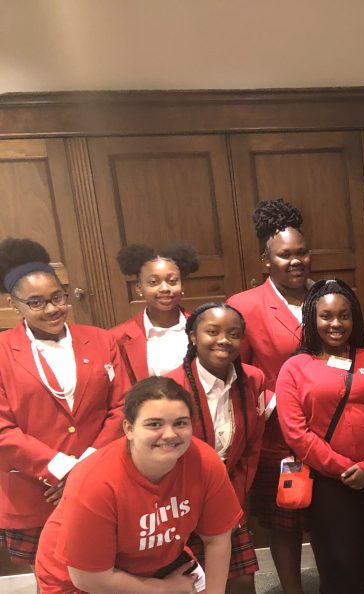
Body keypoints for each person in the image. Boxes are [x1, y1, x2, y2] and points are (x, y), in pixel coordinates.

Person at [34, 377, 242, 594]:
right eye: (154, 424)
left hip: (153, 561)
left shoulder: (204, 461)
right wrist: (164, 589)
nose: (170, 434)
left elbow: (217, 540)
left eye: (180, 423)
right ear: (129, 429)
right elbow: (87, 579)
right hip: (78, 579)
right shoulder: (95, 482)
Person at [0, 238, 129, 568]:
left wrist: (84, 469)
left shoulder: (101, 340)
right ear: (15, 305)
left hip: (101, 479)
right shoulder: (2, 351)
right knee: (51, 576)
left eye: (57, 297)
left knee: (110, 571)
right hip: (34, 490)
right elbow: (3, 430)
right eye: (36, 302)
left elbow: (123, 407)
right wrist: (60, 469)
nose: (52, 309)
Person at [276, 279, 364, 594]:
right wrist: (343, 468)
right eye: (327, 316)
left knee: (360, 553)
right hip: (327, 482)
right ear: (312, 318)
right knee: (339, 559)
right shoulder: (294, 368)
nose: (336, 323)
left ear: (354, 318)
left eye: (344, 316)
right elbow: (296, 432)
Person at [226, 198, 311, 594]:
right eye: (284, 255)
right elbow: (236, 374)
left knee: (329, 518)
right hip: (278, 435)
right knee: (284, 522)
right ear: (266, 260)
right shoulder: (244, 306)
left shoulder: (327, 295)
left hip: (330, 429)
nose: (295, 261)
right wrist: (277, 400)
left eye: (301, 253)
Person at [167, 302, 267, 594]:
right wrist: (194, 509)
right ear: (193, 336)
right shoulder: (171, 385)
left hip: (228, 493)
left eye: (234, 334)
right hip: (182, 499)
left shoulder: (253, 379)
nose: (224, 340)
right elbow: (165, 456)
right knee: (191, 584)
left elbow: (252, 447)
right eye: (212, 332)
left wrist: (232, 502)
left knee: (241, 582)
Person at [109, 243, 200, 383]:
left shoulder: (202, 328)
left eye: (172, 281)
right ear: (139, 288)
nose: (164, 288)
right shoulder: (117, 338)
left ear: (182, 286)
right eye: (153, 282)